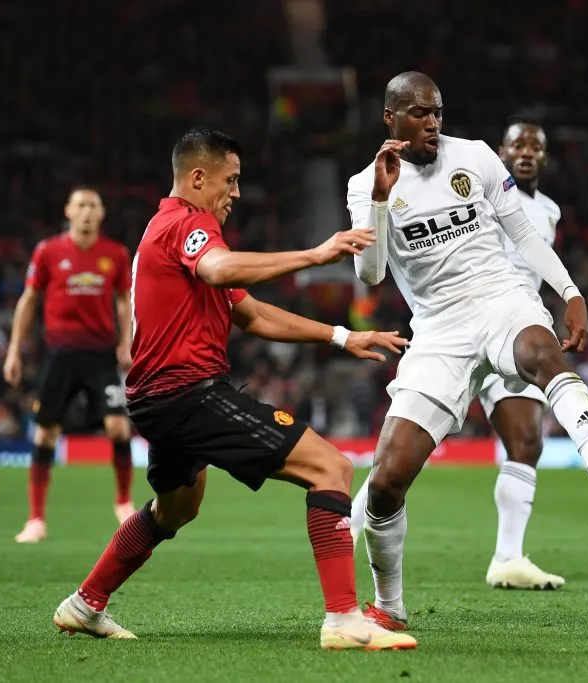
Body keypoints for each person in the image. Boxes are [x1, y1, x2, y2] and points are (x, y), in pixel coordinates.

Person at [51, 128, 417, 651]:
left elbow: (251, 312)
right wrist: (314, 255)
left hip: (157, 400)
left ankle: (86, 603)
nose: (237, 193)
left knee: (175, 509)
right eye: (232, 180)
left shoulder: (166, 230)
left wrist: (340, 335)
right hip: (187, 394)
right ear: (198, 178)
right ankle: (343, 619)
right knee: (330, 466)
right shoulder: (187, 223)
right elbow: (220, 268)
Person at [347, 72, 588, 631]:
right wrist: (383, 201)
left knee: (543, 352)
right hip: (437, 329)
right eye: (419, 113)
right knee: (386, 479)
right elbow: (371, 274)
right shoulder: (366, 185)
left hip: (501, 297)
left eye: (437, 112)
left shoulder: (476, 156)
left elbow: (526, 236)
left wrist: (571, 294)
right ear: (391, 119)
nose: (432, 123)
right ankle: (389, 607)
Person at [4, 187, 136, 542]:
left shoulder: (116, 254)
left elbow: (125, 301)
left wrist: (126, 341)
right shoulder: (48, 251)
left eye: (93, 205)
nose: (87, 212)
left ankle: (123, 502)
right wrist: (14, 350)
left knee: (118, 428)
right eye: (80, 205)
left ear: (102, 212)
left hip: (100, 356)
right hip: (60, 355)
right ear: (68, 211)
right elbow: (29, 299)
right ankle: (35, 520)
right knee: (46, 433)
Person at [478, 122, 565, 590]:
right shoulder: (486, 195)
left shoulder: (550, 211)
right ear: (501, 151)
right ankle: (351, 521)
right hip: (472, 317)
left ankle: (507, 558)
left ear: (544, 158)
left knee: (528, 442)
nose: (526, 152)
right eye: (517, 145)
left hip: (519, 327)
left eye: (536, 146)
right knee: (415, 444)